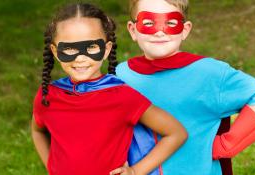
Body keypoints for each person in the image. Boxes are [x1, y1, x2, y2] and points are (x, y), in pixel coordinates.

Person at [116, 0, 255, 175]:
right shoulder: (122, 73)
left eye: (171, 23)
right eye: (148, 23)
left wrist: (227, 145)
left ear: (185, 30)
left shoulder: (209, 72)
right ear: (133, 30)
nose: (160, 32)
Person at [31, 3, 187, 175]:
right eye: (69, 49)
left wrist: (136, 171)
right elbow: (37, 130)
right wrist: (52, 167)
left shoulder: (123, 97)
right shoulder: (48, 95)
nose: (80, 58)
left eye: (91, 47)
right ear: (55, 51)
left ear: (106, 50)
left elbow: (176, 133)